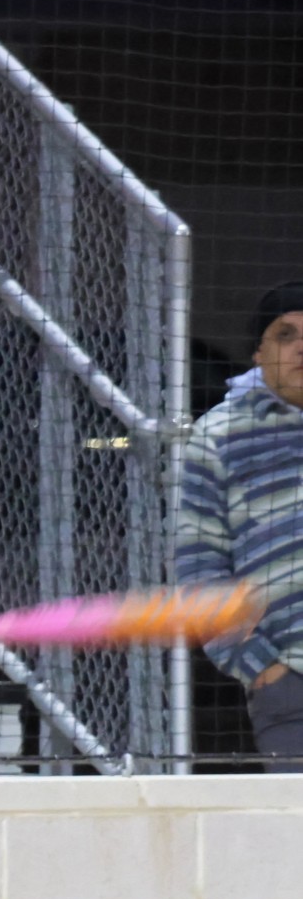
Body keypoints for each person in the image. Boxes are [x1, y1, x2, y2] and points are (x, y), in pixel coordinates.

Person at [176, 281, 303, 770]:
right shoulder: (219, 435)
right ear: (258, 354)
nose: (300, 346)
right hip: (291, 691)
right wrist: (262, 668)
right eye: (285, 334)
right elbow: (200, 570)